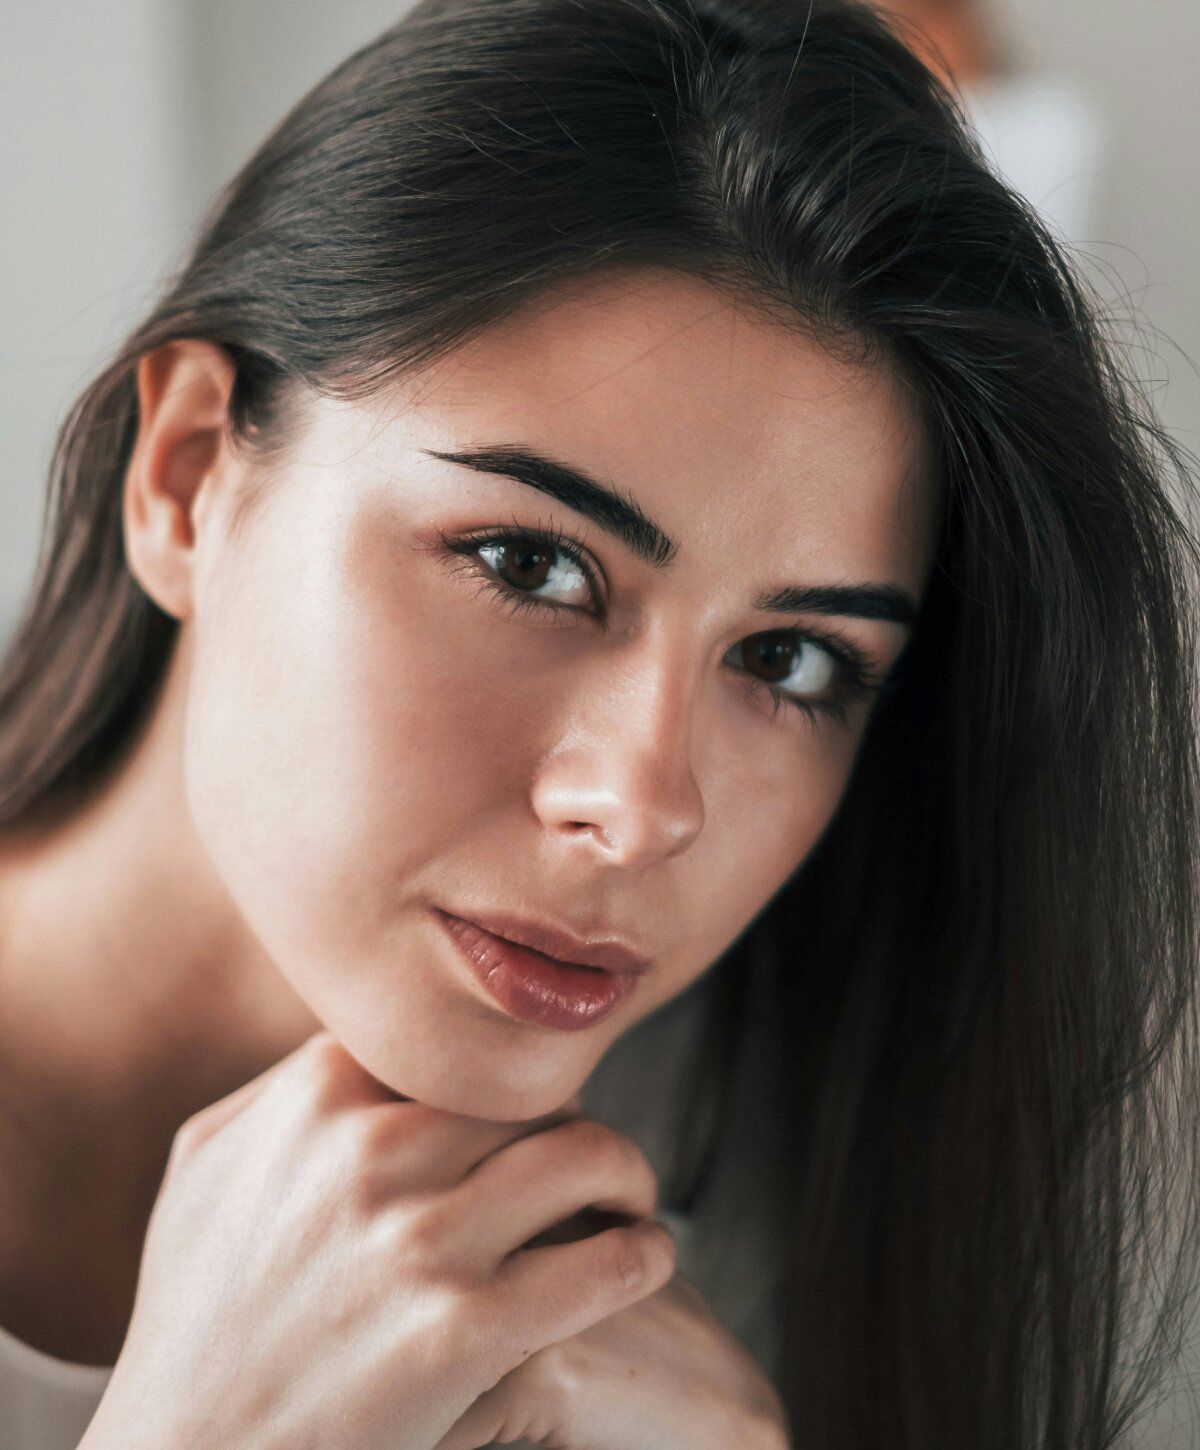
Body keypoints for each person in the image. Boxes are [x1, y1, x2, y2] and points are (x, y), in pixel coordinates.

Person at [1, 0, 1198, 1446]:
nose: (642, 805)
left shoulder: (796, 1186)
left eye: (794, 659)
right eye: (531, 565)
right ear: (190, 476)